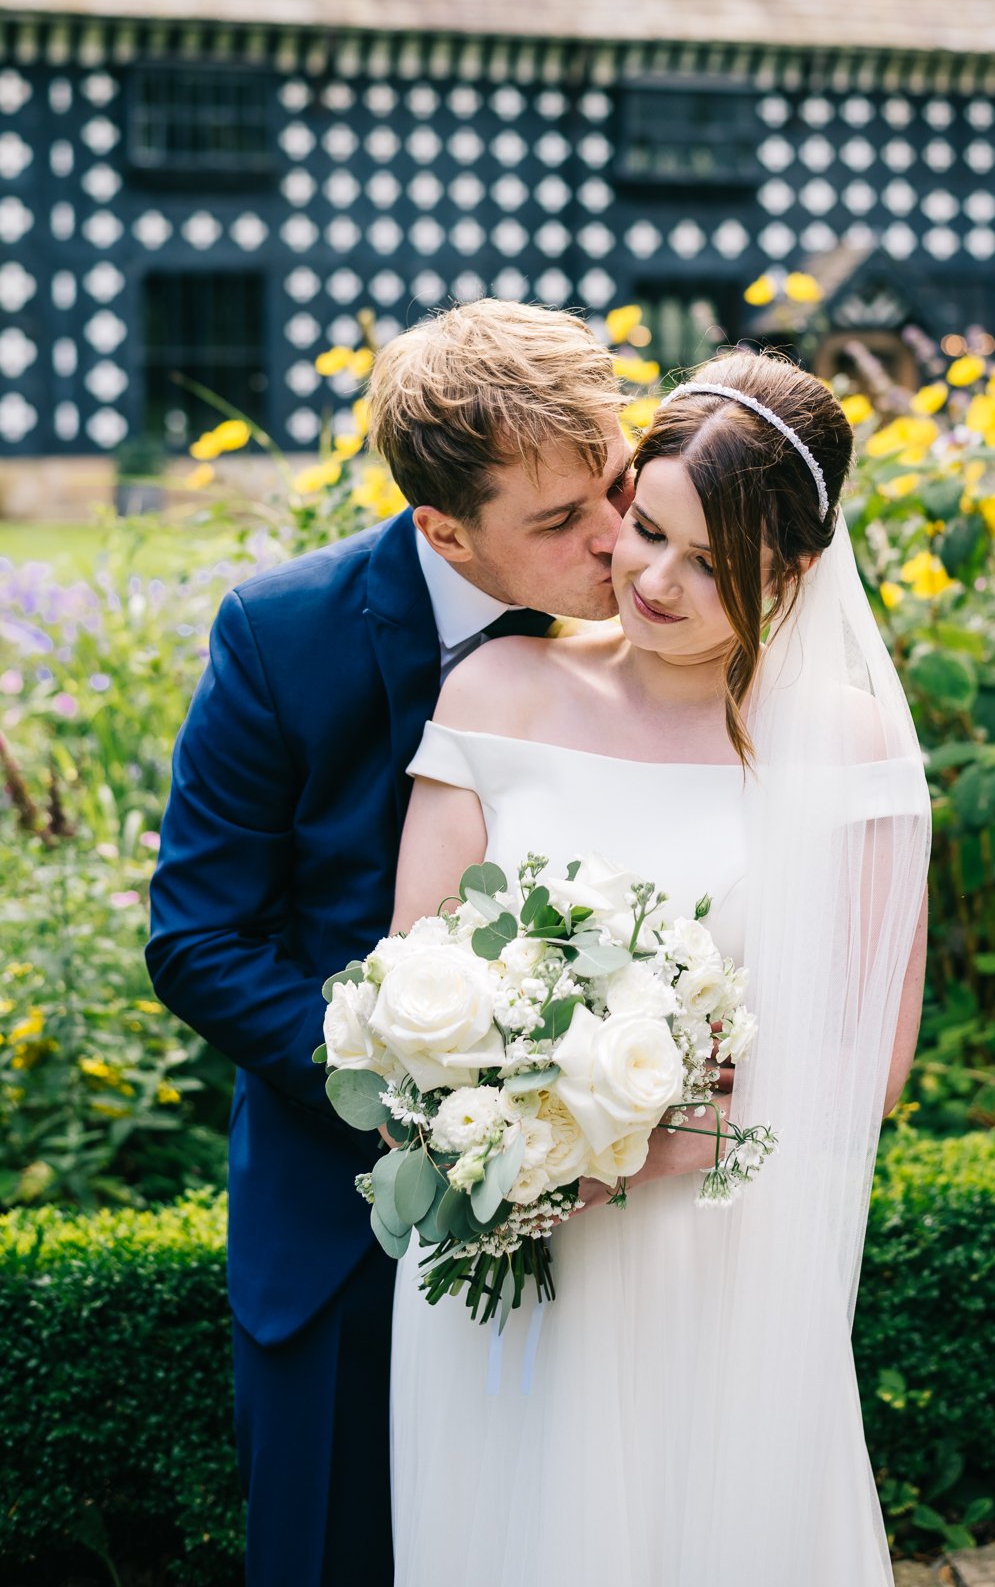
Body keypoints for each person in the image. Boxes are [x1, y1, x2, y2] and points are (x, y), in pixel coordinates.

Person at [390, 347, 932, 1587]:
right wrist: (530, 1140)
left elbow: (869, 1065)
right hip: (508, 1256)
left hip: (711, 1262)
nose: (652, 578)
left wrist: (643, 1136)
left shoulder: (844, 748)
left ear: (791, 571)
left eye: (708, 560)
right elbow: (409, 984)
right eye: (646, 528)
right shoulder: (498, 691)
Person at [145, 299, 634, 1587]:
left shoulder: (668, 620)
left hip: (611, 1221)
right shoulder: (280, 634)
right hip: (341, 1216)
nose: (614, 544)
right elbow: (199, 937)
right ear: (443, 528)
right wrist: (425, 1097)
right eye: (557, 522)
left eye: (617, 488)